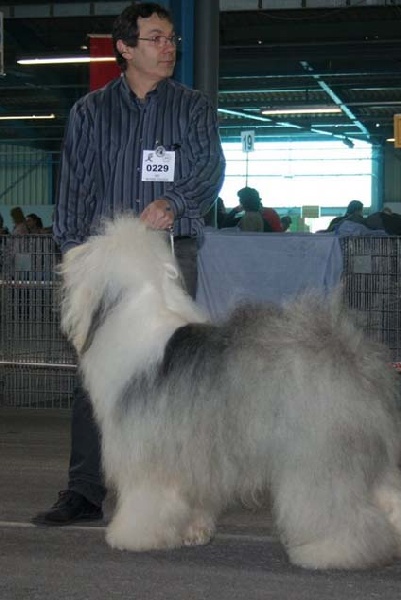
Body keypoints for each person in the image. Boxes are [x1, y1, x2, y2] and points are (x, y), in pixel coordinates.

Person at [33, 2, 225, 526]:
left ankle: (174, 492)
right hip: (107, 263)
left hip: (170, 255)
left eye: (171, 39)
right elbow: (74, 188)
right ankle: (85, 490)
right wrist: (75, 256)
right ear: (124, 47)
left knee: (171, 376)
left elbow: (210, 168)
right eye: (156, 38)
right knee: (95, 375)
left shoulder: (192, 107)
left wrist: (174, 202)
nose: (169, 48)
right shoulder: (90, 112)